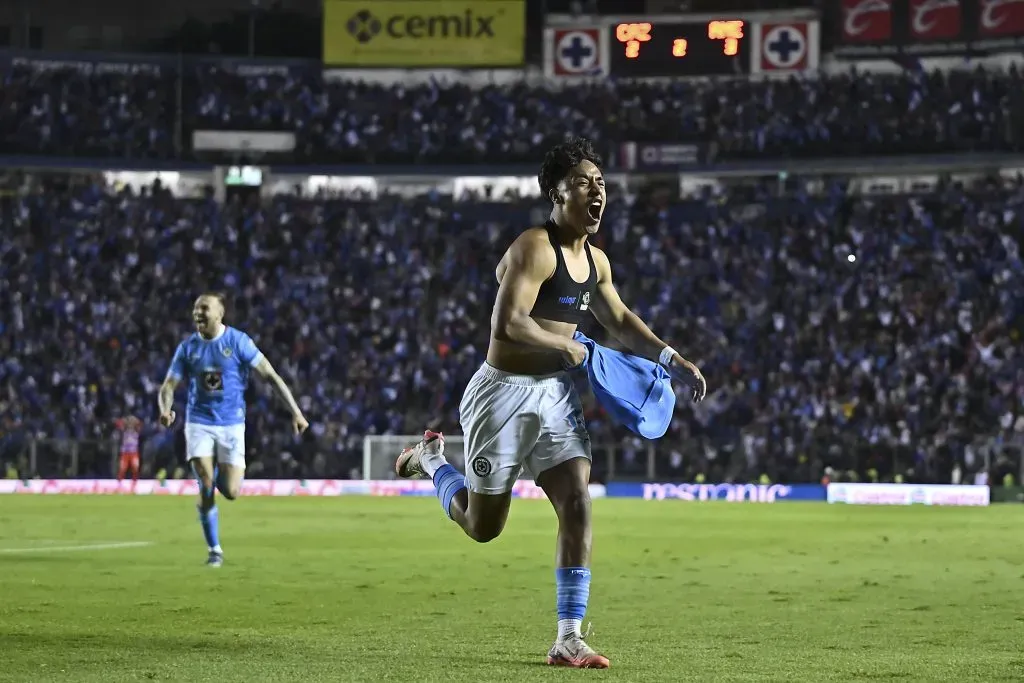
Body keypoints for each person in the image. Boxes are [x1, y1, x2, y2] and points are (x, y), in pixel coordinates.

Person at [395, 137, 707, 668]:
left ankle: (568, 637)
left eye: (601, 182)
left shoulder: (597, 261)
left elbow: (621, 320)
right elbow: (508, 325)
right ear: (556, 192)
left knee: (578, 502)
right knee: (483, 526)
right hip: (503, 395)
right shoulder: (533, 248)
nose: (597, 190)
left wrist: (669, 356)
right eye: (584, 181)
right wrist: (563, 343)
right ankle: (432, 462)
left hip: (556, 396)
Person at [157, 293, 309, 567]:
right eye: (195, 309)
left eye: (204, 308)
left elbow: (271, 376)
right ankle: (214, 549)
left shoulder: (238, 342)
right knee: (205, 484)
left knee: (231, 491)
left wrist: (295, 412)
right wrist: (165, 410)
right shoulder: (188, 348)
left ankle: (214, 475)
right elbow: (168, 385)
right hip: (199, 422)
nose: (198, 314)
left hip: (231, 425)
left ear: (219, 313)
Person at [113, 416, 142, 483]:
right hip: (125, 452)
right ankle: (119, 482)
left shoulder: (136, 430)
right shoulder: (124, 429)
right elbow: (117, 423)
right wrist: (125, 420)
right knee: (122, 468)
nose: (130, 424)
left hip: (134, 452)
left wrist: (134, 420)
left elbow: (140, 424)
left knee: (135, 467)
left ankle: (135, 481)